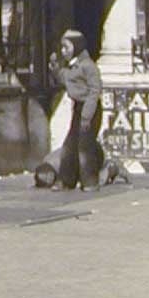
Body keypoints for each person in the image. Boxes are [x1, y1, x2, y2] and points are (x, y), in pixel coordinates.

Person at [47, 29, 103, 192]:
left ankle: (90, 182)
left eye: (66, 47)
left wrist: (86, 117)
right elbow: (63, 78)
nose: (63, 51)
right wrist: (54, 68)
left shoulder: (88, 66)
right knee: (70, 144)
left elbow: (94, 91)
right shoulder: (72, 67)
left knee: (85, 147)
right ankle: (66, 180)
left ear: (77, 47)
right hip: (78, 108)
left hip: (89, 109)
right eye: (62, 48)